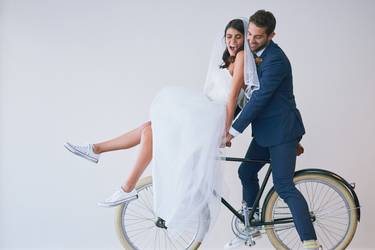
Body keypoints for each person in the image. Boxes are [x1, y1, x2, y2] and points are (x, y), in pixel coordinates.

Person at [64, 18, 253, 232]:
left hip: (214, 117)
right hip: (206, 111)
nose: (233, 41)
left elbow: (232, 98)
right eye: (229, 36)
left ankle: (121, 180)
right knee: (149, 127)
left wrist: (226, 131)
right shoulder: (228, 58)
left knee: (153, 129)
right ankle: (97, 151)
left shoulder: (242, 57)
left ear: (244, 39)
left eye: (238, 37)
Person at [224, 10, 320, 250]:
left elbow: (261, 99)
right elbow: (245, 96)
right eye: (250, 35)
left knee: (284, 186)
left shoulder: (275, 59)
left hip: (281, 131)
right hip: (268, 132)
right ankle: (252, 225)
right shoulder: (253, 56)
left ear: (271, 35)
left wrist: (233, 131)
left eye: (258, 37)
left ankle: (310, 243)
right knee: (246, 172)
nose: (252, 40)